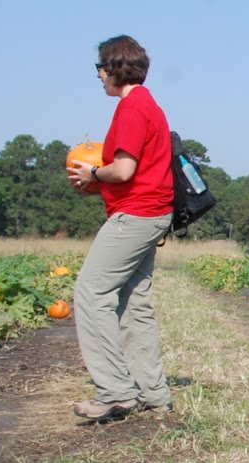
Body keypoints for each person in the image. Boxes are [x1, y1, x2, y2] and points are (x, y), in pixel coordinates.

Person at [65, 35, 174, 421]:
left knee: (91, 292)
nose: (98, 75)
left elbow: (124, 170)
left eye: (100, 67)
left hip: (136, 213)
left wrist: (91, 172)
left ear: (115, 67)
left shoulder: (131, 108)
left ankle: (114, 391)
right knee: (133, 302)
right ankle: (153, 392)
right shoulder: (149, 105)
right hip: (153, 212)